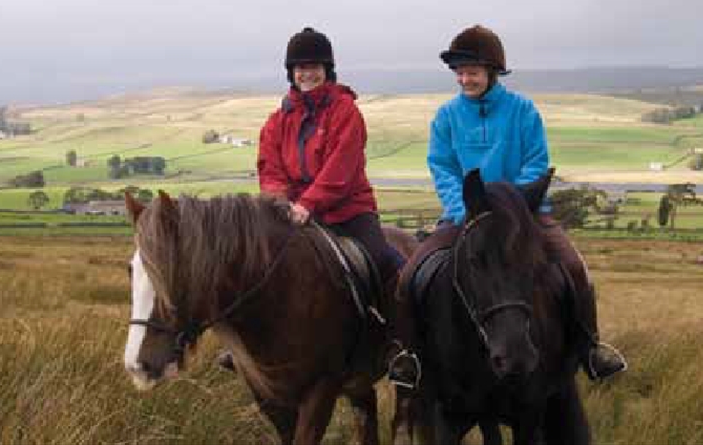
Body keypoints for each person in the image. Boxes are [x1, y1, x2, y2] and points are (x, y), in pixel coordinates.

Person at [388, 25, 627, 388]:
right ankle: (412, 356)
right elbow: (442, 167)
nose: (465, 79)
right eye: (460, 72)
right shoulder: (446, 116)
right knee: (412, 274)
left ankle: (590, 348)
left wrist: (511, 208)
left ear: (492, 72)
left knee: (573, 266)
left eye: (473, 72)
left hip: (524, 215)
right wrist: (463, 209)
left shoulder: (522, 111)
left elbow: (535, 161)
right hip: (465, 215)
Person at [219, 27, 404, 371]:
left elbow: (342, 167)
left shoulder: (345, 111)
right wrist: (281, 203)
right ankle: (251, 343)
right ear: (290, 72)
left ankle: (397, 343)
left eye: (314, 66)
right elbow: (270, 167)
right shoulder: (277, 121)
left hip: (349, 210)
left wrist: (309, 204)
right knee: (261, 266)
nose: (307, 73)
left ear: (328, 69)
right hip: (293, 212)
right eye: (300, 67)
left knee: (381, 260)